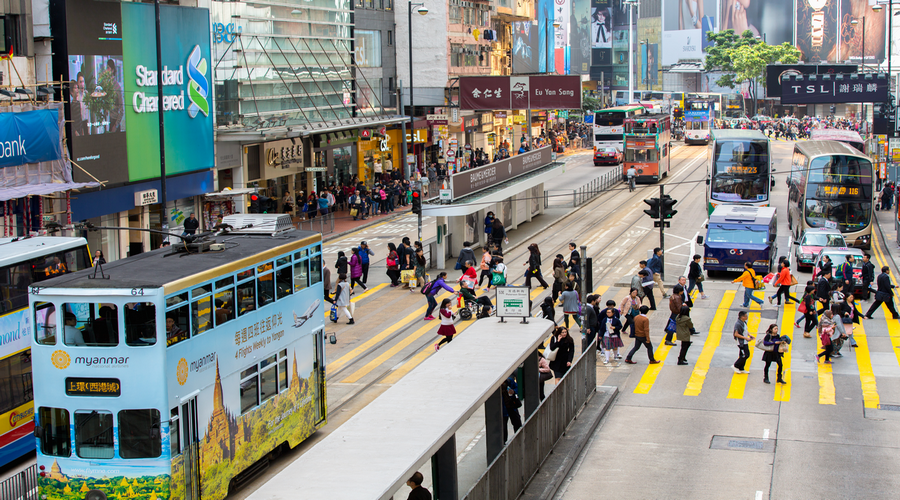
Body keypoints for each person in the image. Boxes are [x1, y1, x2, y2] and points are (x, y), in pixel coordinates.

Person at [501, 375, 522, 441]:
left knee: (517, 423)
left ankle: (519, 438)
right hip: (503, 409)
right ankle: (503, 441)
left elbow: (517, 388)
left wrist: (513, 391)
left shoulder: (510, 381)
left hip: (511, 406)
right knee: (503, 427)